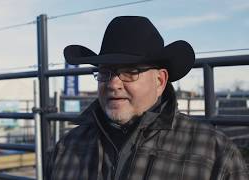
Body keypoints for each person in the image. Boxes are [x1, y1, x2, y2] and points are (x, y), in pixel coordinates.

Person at [46, 16, 249, 180]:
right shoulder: (67, 147)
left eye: (129, 72)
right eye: (105, 72)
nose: (113, 84)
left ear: (160, 81)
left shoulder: (214, 155)